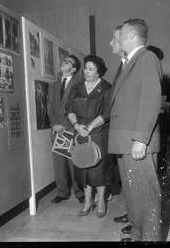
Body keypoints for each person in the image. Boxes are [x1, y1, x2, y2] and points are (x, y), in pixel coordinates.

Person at [108, 18, 162, 241]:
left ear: (131, 36)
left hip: (137, 141)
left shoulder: (146, 57)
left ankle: (149, 238)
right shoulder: (128, 62)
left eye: (118, 36)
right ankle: (139, 235)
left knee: (146, 197)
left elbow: (150, 99)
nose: (115, 41)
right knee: (133, 196)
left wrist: (140, 139)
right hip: (124, 140)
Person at [66, 55, 114, 218]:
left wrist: (90, 126)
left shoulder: (107, 88)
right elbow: (69, 109)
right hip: (80, 132)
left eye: (91, 69)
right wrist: (77, 126)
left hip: (99, 132)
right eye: (86, 68)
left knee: (99, 170)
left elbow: (107, 113)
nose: (86, 71)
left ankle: (101, 201)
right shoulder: (76, 88)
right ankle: (87, 202)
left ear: (99, 72)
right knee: (83, 167)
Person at [47, 55, 84, 204]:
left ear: (74, 69)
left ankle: (79, 191)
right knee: (59, 163)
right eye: (64, 60)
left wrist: (66, 125)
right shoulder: (53, 85)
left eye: (68, 62)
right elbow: (49, 106)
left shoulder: (79, 85)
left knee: (73, 162)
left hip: (70, 128)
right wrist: (54, 124)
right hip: (56, 129)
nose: (63, 62)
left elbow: (78, 108)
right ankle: (62, 192)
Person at [109, 25, 129, 224]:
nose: (111, 43)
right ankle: (132, 215)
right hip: (121, 134)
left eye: (115, 39)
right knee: (128, 182)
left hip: (130, 134)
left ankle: (136, 219)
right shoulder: (123, 64)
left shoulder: (137, 62)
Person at [147, 45, 170, 174]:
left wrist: (164, 103)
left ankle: (160, 171)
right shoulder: (138, 77)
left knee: (160, 147)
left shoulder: (165, 80)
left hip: (160, 120)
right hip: (143, 121)